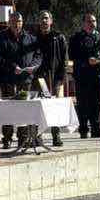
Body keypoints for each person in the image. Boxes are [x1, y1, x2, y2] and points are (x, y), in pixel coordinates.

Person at [0, 10, 33, 151]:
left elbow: (37, 54)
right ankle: (7, 137)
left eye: (19, 21)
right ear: (8, 23)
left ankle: (23, 137)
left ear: (22, 23)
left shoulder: (29, 38)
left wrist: (32, 66)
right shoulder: (1, 38)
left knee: (23, 108)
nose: (16, 24)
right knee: (8, 108)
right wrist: (13, 66)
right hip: (7, 79)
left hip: (24, 79)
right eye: (13, 21)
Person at [69, 13, 100, 139]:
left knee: (97, 103)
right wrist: (87, 61)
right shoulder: (76, 37)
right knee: (83, 104)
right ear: (83, 23)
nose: (92, 24)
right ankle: (83, 129)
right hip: (83, 75)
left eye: (94, 21)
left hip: (98, 75)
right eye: (89, 21)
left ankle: (96, 129)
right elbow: (72, 55)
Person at [34, 11, 69, 148]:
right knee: (38, 107)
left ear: (51, 21)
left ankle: (56, 135)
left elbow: (64, 59)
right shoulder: (33, 38)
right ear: (38, 21)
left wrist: (61, 78)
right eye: (41, 18)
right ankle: (37, 136)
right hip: (39, 78)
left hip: (55, 78)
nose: (44, 21)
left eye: (46, 18)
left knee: (55, 107)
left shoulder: (59, 37)